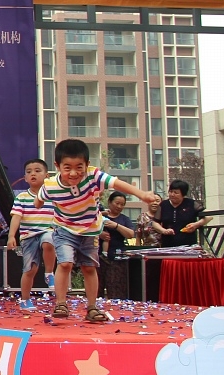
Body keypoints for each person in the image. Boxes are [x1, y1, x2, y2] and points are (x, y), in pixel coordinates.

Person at [36, 138, 156, 323]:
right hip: (64, 229)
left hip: (90, 230)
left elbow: (117, 183)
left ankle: (92, 307)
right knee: (65, 264)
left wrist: (142, 194)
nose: (74, 173)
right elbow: (39, 198)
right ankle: (61, 303)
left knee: (89, 267)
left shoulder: (93, 176)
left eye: (79, 167)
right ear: (57, 166)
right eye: (67, 168)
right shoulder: (51, 185)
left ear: (87, 164)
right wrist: (37, 204)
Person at [6, 158, 56, 312]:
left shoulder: (52, 196)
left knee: (48, 241)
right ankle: (25, 299)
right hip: (28, 237)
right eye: (29, 172)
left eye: (37, 171)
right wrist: (11, 236)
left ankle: (49, 273)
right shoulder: (22, 197)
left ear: (46, 176)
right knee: (29, 270)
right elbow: (16, 217)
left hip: (47, 231)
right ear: (25, 178)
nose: (33, 174)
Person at [158, 180, 211, 249]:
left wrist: (196, 224)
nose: (172, 195)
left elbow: (209, 216)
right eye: (170, 191)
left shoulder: (191, 204)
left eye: (176, 193)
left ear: (183, 194)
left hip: (188, 245)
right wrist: (163, 231)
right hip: (167, 245)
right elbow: (155, 222)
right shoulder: (163, 205)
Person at [100, 191, 135, 260]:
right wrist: (99, 234)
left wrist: (116, 226)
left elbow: (131, 235)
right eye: (117, 203)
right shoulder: (100, 216)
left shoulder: (125, 219)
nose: (119, 206)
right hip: (98, 254)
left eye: (122, 204)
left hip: (118, 255)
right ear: (109, 202)